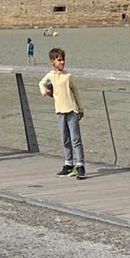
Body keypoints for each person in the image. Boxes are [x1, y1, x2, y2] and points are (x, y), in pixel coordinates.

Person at [39, 47, 86, 179]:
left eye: (63, 60)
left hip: (71, 110)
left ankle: (81, 165)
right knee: (65, 138)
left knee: (75, 139)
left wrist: (80, 109)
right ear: (52, 62)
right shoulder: (50, 76)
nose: (62, 62)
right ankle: (68, 163)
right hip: (60, 111)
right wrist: (46, 92)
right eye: (59, 60)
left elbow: (76, 92)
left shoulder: (68, 76)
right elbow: (41, 84)